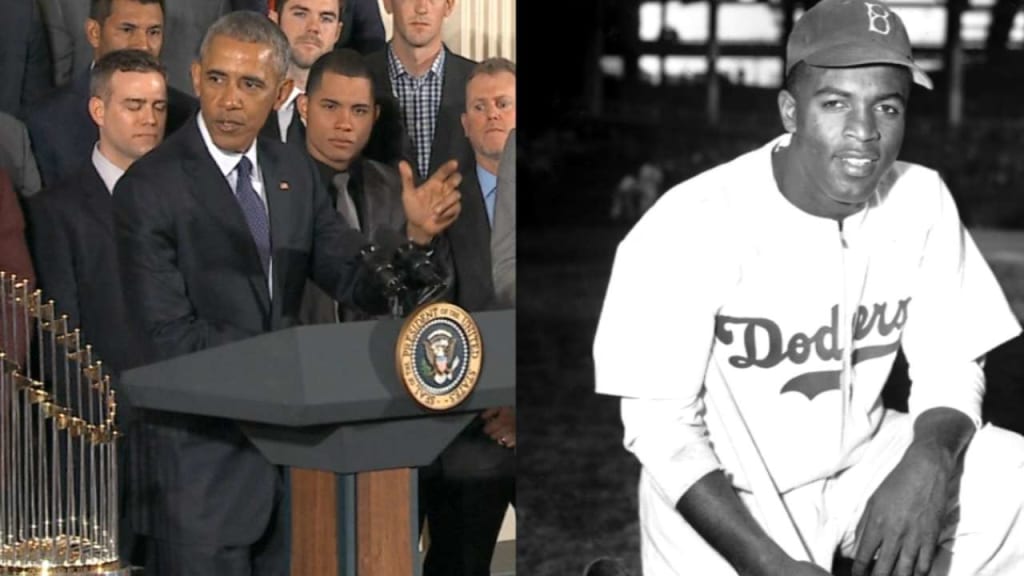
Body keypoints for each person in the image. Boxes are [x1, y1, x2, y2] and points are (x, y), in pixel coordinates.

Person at [593, 1, 1024, 575]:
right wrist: (769, 565)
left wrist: (928, 460)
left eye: (887, 106)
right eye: (836, 103)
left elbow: (951, 360)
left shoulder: (921, 197)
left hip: (865, 463)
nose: (864, 133)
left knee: (1008, 474)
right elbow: (661, 430)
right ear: (790, 110)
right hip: (734, 495)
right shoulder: (689, 222)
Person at [112, 11, 460, 575]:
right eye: (218, 78)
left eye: (249, 85)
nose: (230, 99)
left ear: (278, 93)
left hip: (293, 472)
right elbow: (167, 337)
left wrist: (411, 241)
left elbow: (353, 279)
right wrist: (288, 366)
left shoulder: (291, 172)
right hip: (199, 479)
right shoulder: (149, 189)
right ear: (196, 76)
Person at [25, 47, 167, 564]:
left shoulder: (188, 204)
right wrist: (107, 424)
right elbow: (61, 344)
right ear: (98, 111)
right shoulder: (56, 212)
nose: (149, 119)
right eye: (134, 105)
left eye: (157, 107)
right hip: (97, 445)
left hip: (180, 435)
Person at [419, 57, 516, 576]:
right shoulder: (439, 203)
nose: (492, 115)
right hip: (471, 420)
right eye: (480, 106)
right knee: (457, 559)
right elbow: (433, 320)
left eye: (503, 104)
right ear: (464, 123)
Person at [296, 48, 460, 323]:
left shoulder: (401, 193)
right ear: (304, 107)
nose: (344, 124)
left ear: (375, 115)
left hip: (385, 355)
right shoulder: (272, 186)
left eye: (358, 110)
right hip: (294, 356)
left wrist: (419, 238)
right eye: (330, 106)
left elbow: (436, 306)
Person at [26, 0, 196, 187]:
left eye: (153, 32)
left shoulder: (189, 117)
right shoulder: (45, 121)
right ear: (94, 33)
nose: (143, 45)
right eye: (127, 30)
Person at [367, 0, 474, 181]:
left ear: (449, 6)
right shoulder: (358, 79)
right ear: (387, 4)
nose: (422, 8)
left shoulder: (477, 83)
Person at [263, 0, 343, 145]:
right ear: (274, 21)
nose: (313, 27)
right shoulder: (249, 98)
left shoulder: (350, 113)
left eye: (326, 18)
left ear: (337, 32)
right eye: (300, 14)